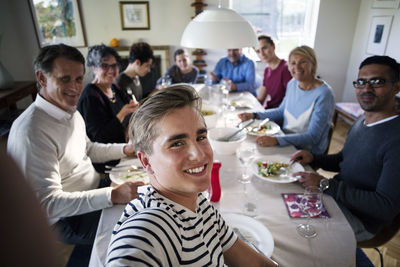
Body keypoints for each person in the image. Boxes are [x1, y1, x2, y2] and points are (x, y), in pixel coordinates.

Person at [106, 85, 277, 266]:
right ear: (146, 161)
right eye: (177, 143)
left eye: (201, 137)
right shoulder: (149, 229)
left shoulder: (199, 204)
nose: (199, 155)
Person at [7, 44, 144, 265]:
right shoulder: (31, 131)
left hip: (94, 190)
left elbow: (88, 149)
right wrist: (112, 195)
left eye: (79, 79)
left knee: (148, 200)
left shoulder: (68, 110)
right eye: (65, 79)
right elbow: (47, 204)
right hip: (67, 219)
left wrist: (126, 149)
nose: (75, 87)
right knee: (137, 232)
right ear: (42, 78)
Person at [291, 55, 400, 242]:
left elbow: (384, 206)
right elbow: (344, 159)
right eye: (361, 82)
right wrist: (314, 158)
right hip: (337, 199)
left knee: (293, 233)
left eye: (377, 82)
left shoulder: (396, 139)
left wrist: (326, 185)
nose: (366, 88)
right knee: (280, 202)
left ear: (396, 86)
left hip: (361, 220)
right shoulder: (362, 121)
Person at [238, 45, 334, 155]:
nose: (297, 67)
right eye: (293, 63)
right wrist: (254, 115)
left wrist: (277, 140)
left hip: (306, 151)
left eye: (303, 62)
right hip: (285, 140)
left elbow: (313, 137)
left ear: (313, 64)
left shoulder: (324, 94)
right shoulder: (292, 84)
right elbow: (281, 111)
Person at [77, 44, 138, 173]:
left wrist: (128, 127)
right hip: (109, 160)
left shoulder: (115, 88)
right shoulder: (90, 96)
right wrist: (122, 114)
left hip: (125, 148)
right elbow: (99, 137)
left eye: (114, 65)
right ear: (94, 68)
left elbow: (133, 111)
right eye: (104, 66)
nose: (111, 70)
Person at [256, 35, 292, 109]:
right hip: (269, 109)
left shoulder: (285, 68)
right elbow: (260, 99)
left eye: (264, 48)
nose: (262, 54)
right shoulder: (267, 69)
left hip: (279, 112)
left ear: (273, 46)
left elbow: (290, 100)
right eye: (258, 51)